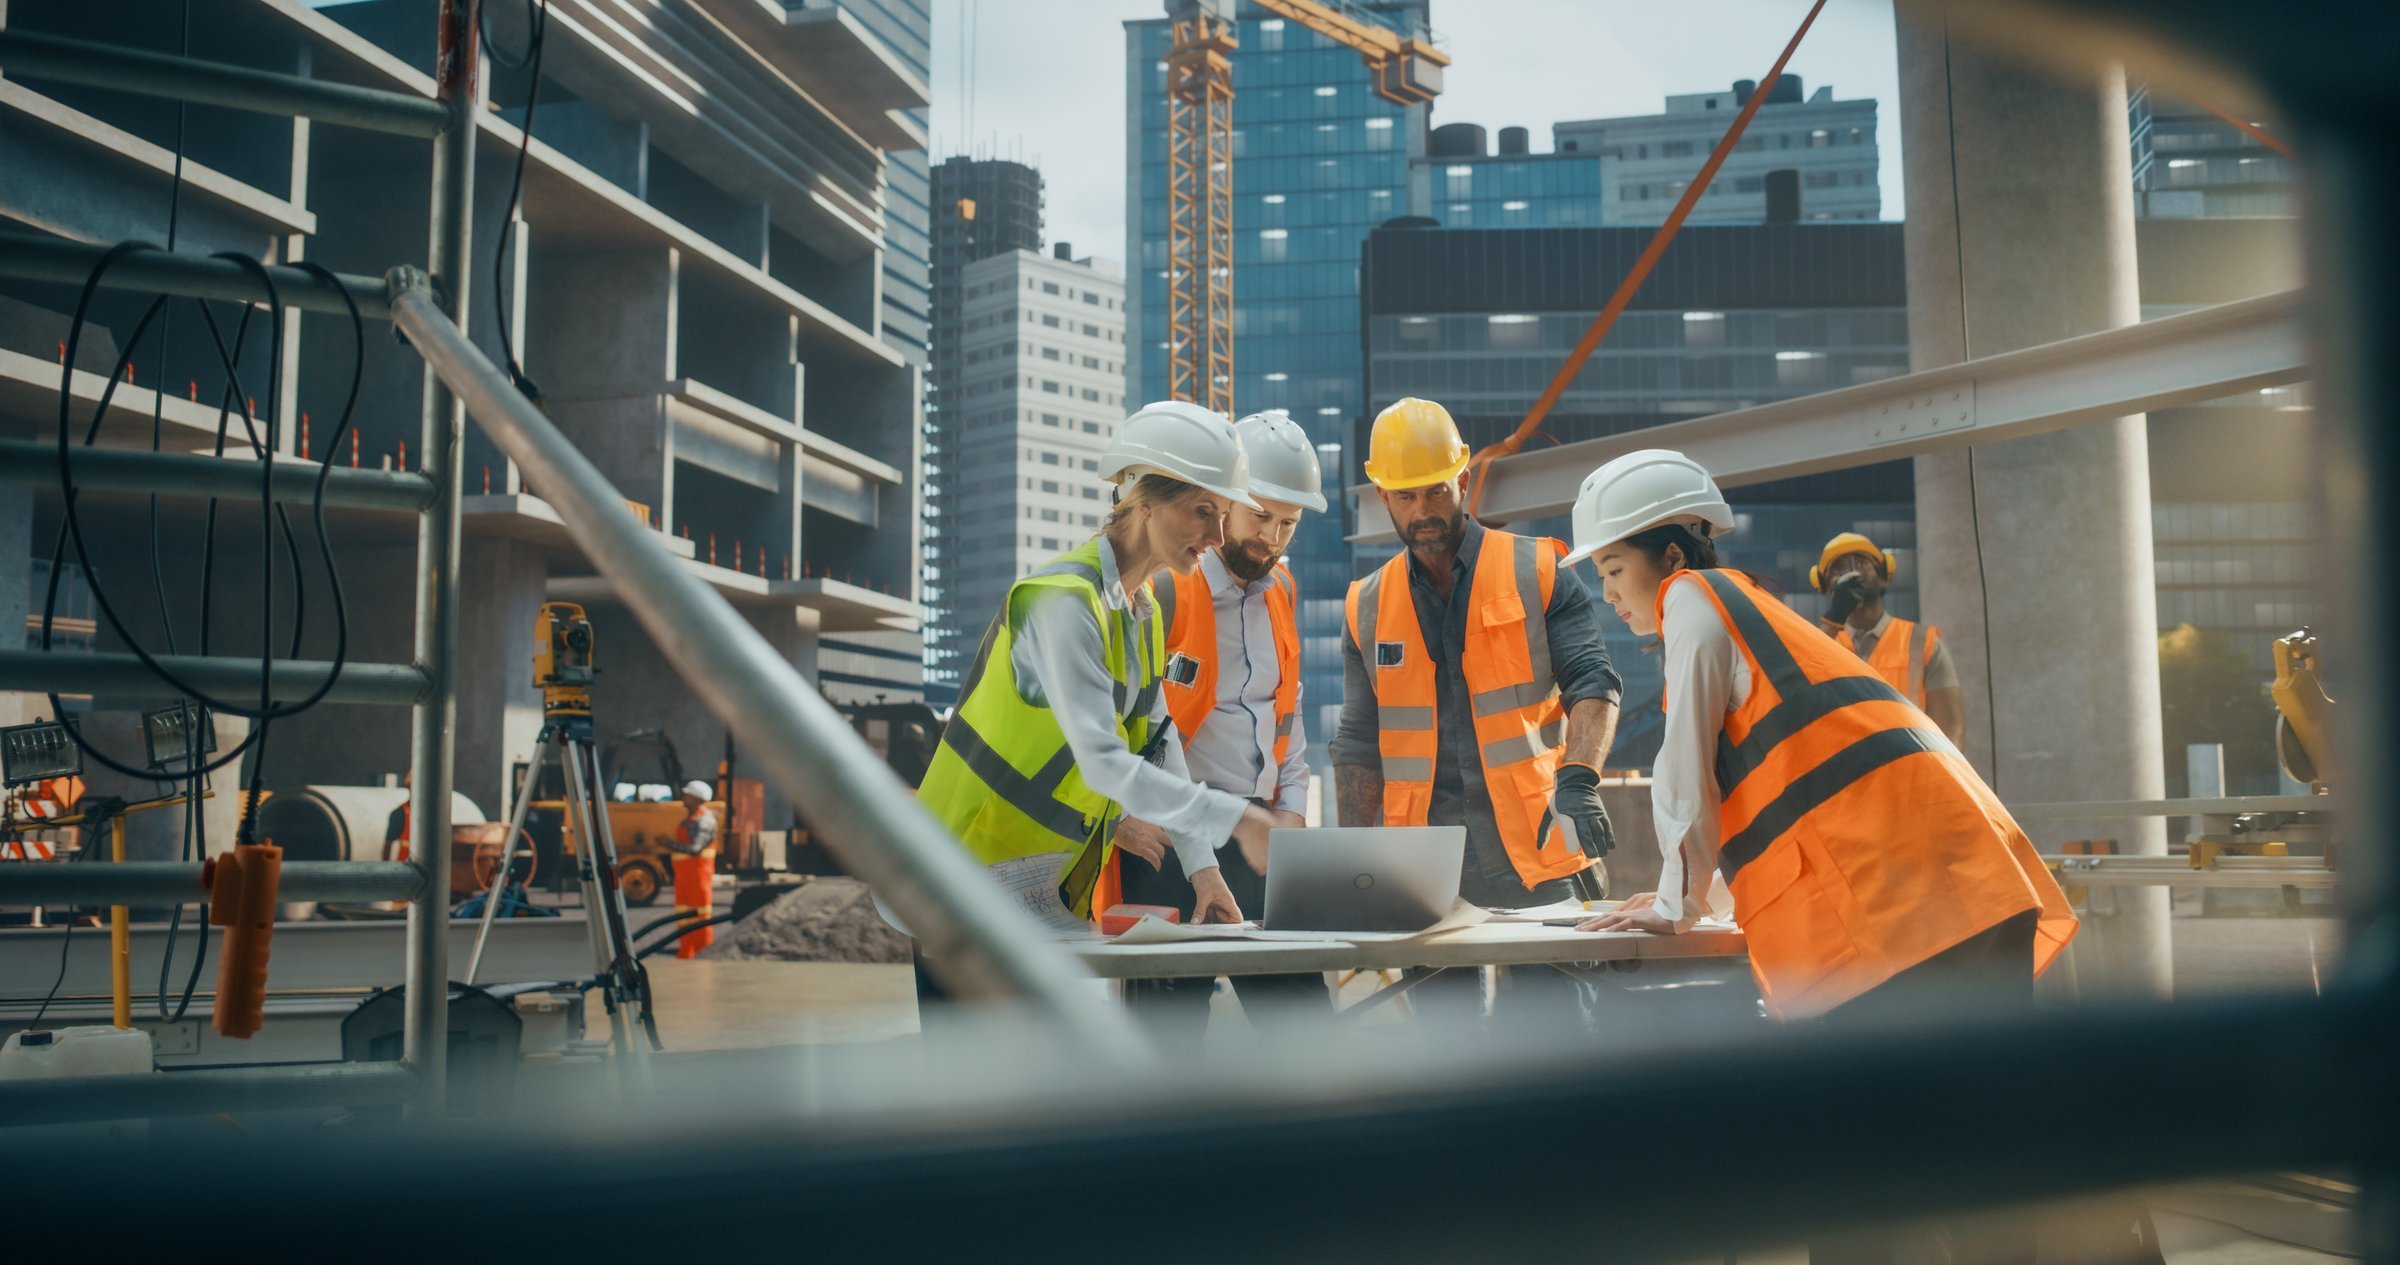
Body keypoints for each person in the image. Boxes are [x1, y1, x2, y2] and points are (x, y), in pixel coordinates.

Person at [913, 400, 1282, 967]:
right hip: (962, 875)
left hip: (1038, 885)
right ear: (1144, 503)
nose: (1217, 534)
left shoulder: (1140, 613)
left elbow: (1161, 748)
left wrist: (1205, 873)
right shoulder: (1060, 601)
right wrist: (1237, 819)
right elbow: (1104, 764)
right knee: (966, 1058)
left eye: (1223, 513)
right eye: (1203, 511)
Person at [1330, 397, 1623, 1029]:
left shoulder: (1539, 571)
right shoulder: (1366, 605)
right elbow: (1357, 743)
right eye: (1404, 497)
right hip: (1428, 868)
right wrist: (1356, 860)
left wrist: (1581, 780)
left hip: (1539, 849)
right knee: (1448, 1051)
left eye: (1434, 492)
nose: (1422, 511)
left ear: (1462, 480)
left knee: (1556, 1040)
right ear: (1384, 497)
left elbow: (1593, 682)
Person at [1108, 409, 1333, 1040]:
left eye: (1288, 523)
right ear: (1225, 501)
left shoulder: (1281, 590)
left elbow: (1287, 717)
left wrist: (1290, 810)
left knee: (1303, 1025)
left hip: (1258, 837)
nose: (1274, 536)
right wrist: (1119, 813)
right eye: (1261, 515)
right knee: (1166, 1035)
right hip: (1170, 843)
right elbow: (1126, 725)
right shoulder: (1168, 588)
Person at [1812, 531, 1965, 741]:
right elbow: (1796, 687)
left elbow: (1951, 727)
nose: (1852, 572)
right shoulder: (1819, 647)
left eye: (1862, 563)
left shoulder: (1922, 643)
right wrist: (1834, 618)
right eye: (1839, 569)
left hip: (1909, 770)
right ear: (1828, 588)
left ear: (1883, 578)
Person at [669, 779, 719, 959]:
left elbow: (695, 849)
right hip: (684, 877)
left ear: (697, 798)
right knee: (683, 916)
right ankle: (686, 953)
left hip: (698, 876)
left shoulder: (704, 821)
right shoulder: (690, 820)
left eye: (687, 794)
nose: (684, 797)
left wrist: (670, 844)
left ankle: (702, 954)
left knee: (700, 916)